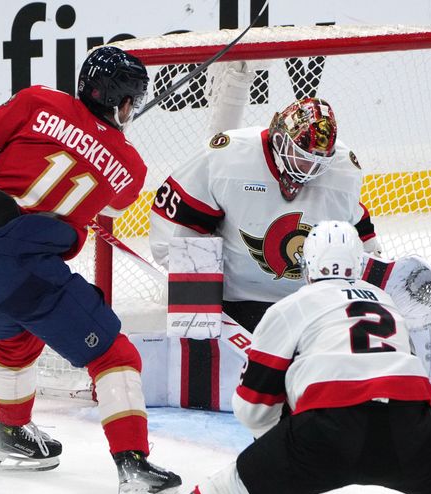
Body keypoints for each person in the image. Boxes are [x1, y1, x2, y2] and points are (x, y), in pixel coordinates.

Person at [157, 221, 431, 494]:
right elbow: (408, 370)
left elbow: (252, 407)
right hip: (410, 426)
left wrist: (281, 441)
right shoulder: (387, 302)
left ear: (307, 265)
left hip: (325, 430)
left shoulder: (294, 305)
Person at [0, 46, 181, 494]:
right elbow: (105, 207)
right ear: (126, 104)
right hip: (23, 271)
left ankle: (8, 433)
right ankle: (135, 469)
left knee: (17, 339)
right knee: (115, 353)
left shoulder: (36, 102)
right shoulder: (130, 168)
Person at [149, 97, 380, 332]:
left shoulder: (344, 171)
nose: (307, 170)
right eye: (299, 156)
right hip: (232, 304)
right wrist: (199, 296)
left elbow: (359, 240)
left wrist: (373, 285)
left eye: (316, 164)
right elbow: (176, 220)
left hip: (312, 307)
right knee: (199, 353)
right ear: (278, 136)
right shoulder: (228, 157)